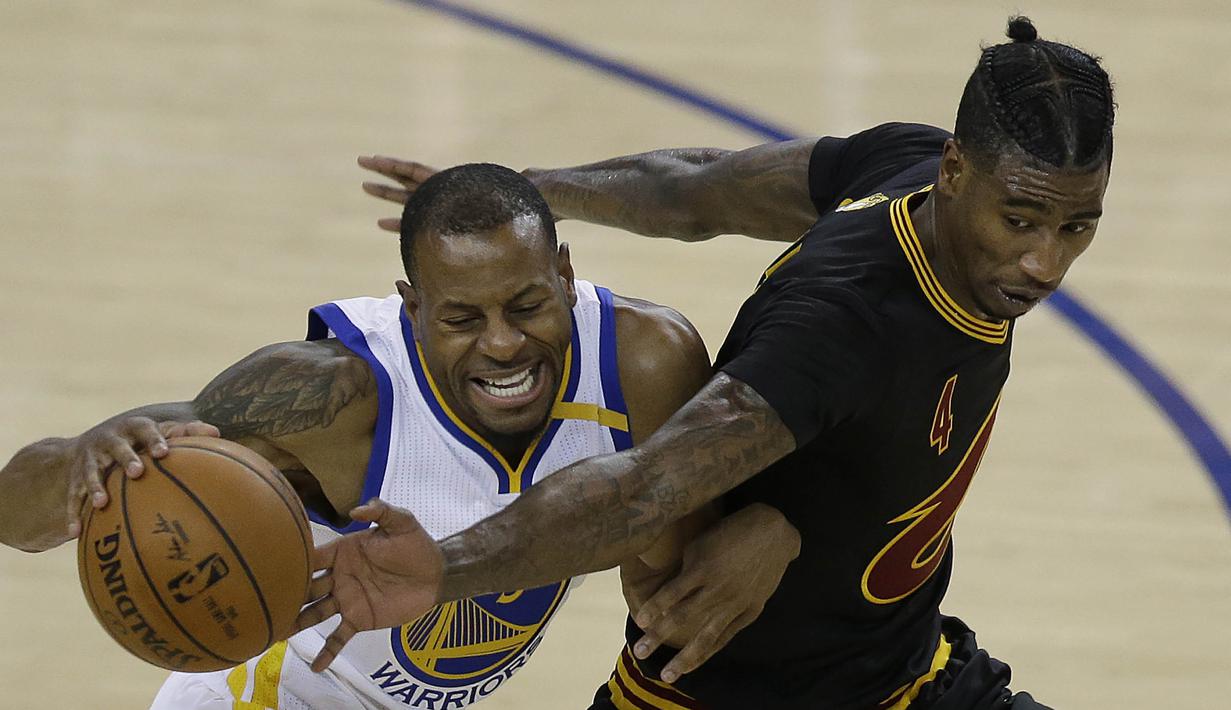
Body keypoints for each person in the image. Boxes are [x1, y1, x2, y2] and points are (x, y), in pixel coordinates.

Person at [300, 17, 1113, 710]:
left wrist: (520, 194)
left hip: (904, 670)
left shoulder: (906, 169)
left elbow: (693, 188)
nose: (1044, 263)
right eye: (1021, 220)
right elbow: (641, 489)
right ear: (955, 170)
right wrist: (445, 568)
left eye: (1076, 228)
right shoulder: (842, 325)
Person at [0, 163, 801, 709]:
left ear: (564, 272)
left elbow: (671, 599)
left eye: (525, 305)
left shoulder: (645, 361)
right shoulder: (325, 395)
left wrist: (776, 526)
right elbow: (13, 515)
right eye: (460, 318)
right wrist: (82, 462)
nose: (501, 344)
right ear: (411, 307)